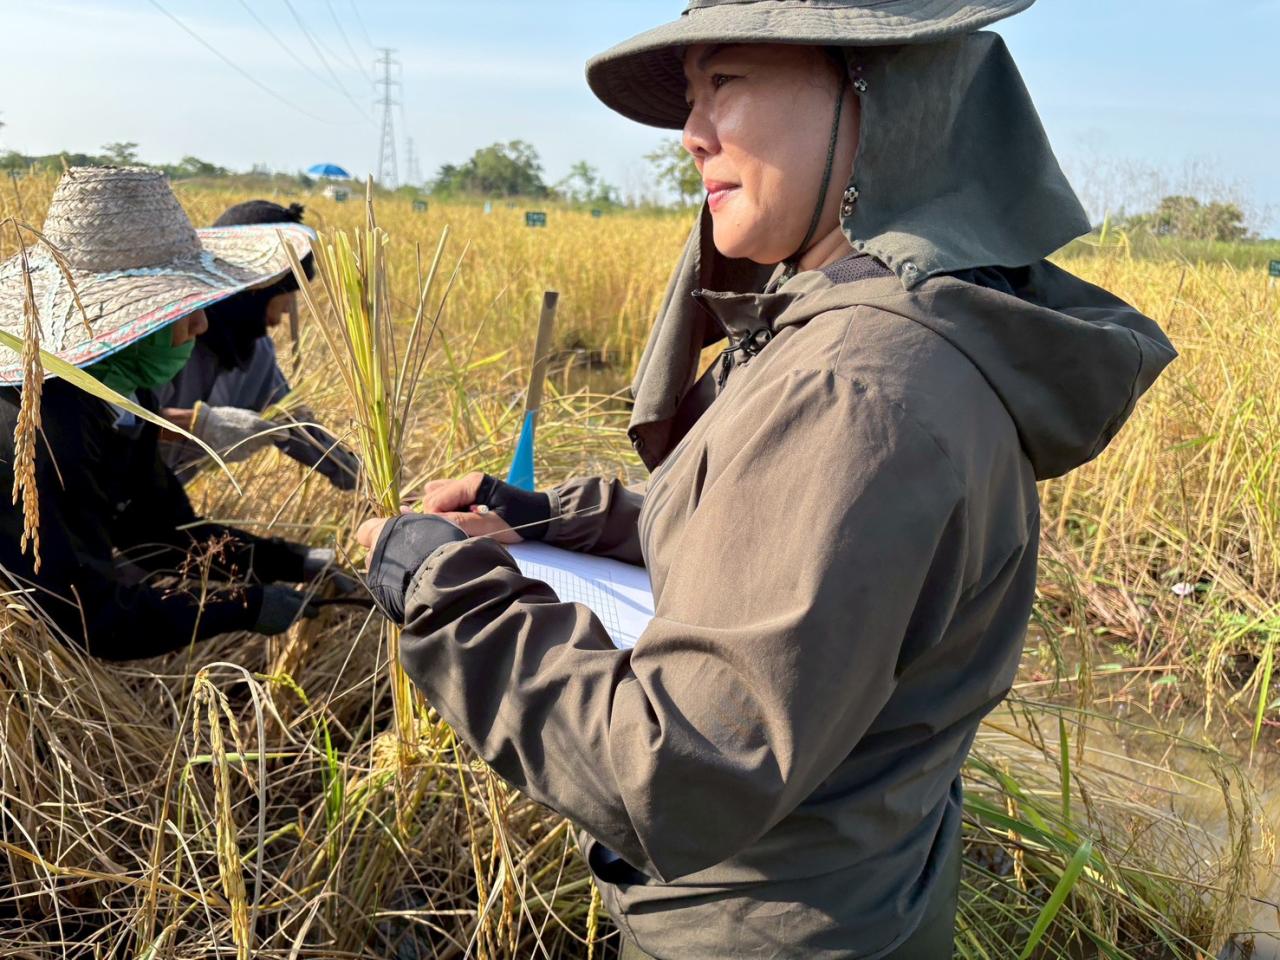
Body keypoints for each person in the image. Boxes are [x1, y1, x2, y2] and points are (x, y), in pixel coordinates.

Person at [356, 2, 1177, 956]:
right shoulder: (876, 325)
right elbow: (775, 536)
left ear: (877, 103)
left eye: (728, 82)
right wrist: (557, 519)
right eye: (692, 95)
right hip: (862, 892)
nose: (692, 134)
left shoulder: (855, 382)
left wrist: (436, 584)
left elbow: (673, 772)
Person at [0, 166, 341, 659]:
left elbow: (159, 535)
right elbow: (89, 619)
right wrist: (244, 607)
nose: (202, 324)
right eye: (181, 310)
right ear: (123, 319)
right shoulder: (46, 429)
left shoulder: (123, 403)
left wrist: (293, 562)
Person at [153, 199, 360, 491]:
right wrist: (197, 425)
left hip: (158, 501)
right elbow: (115, 416)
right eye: (288, 293)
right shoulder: (170, 335)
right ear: (258, 289)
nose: (289, 309)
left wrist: (363, 478)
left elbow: (293, 426)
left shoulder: (256, 354)